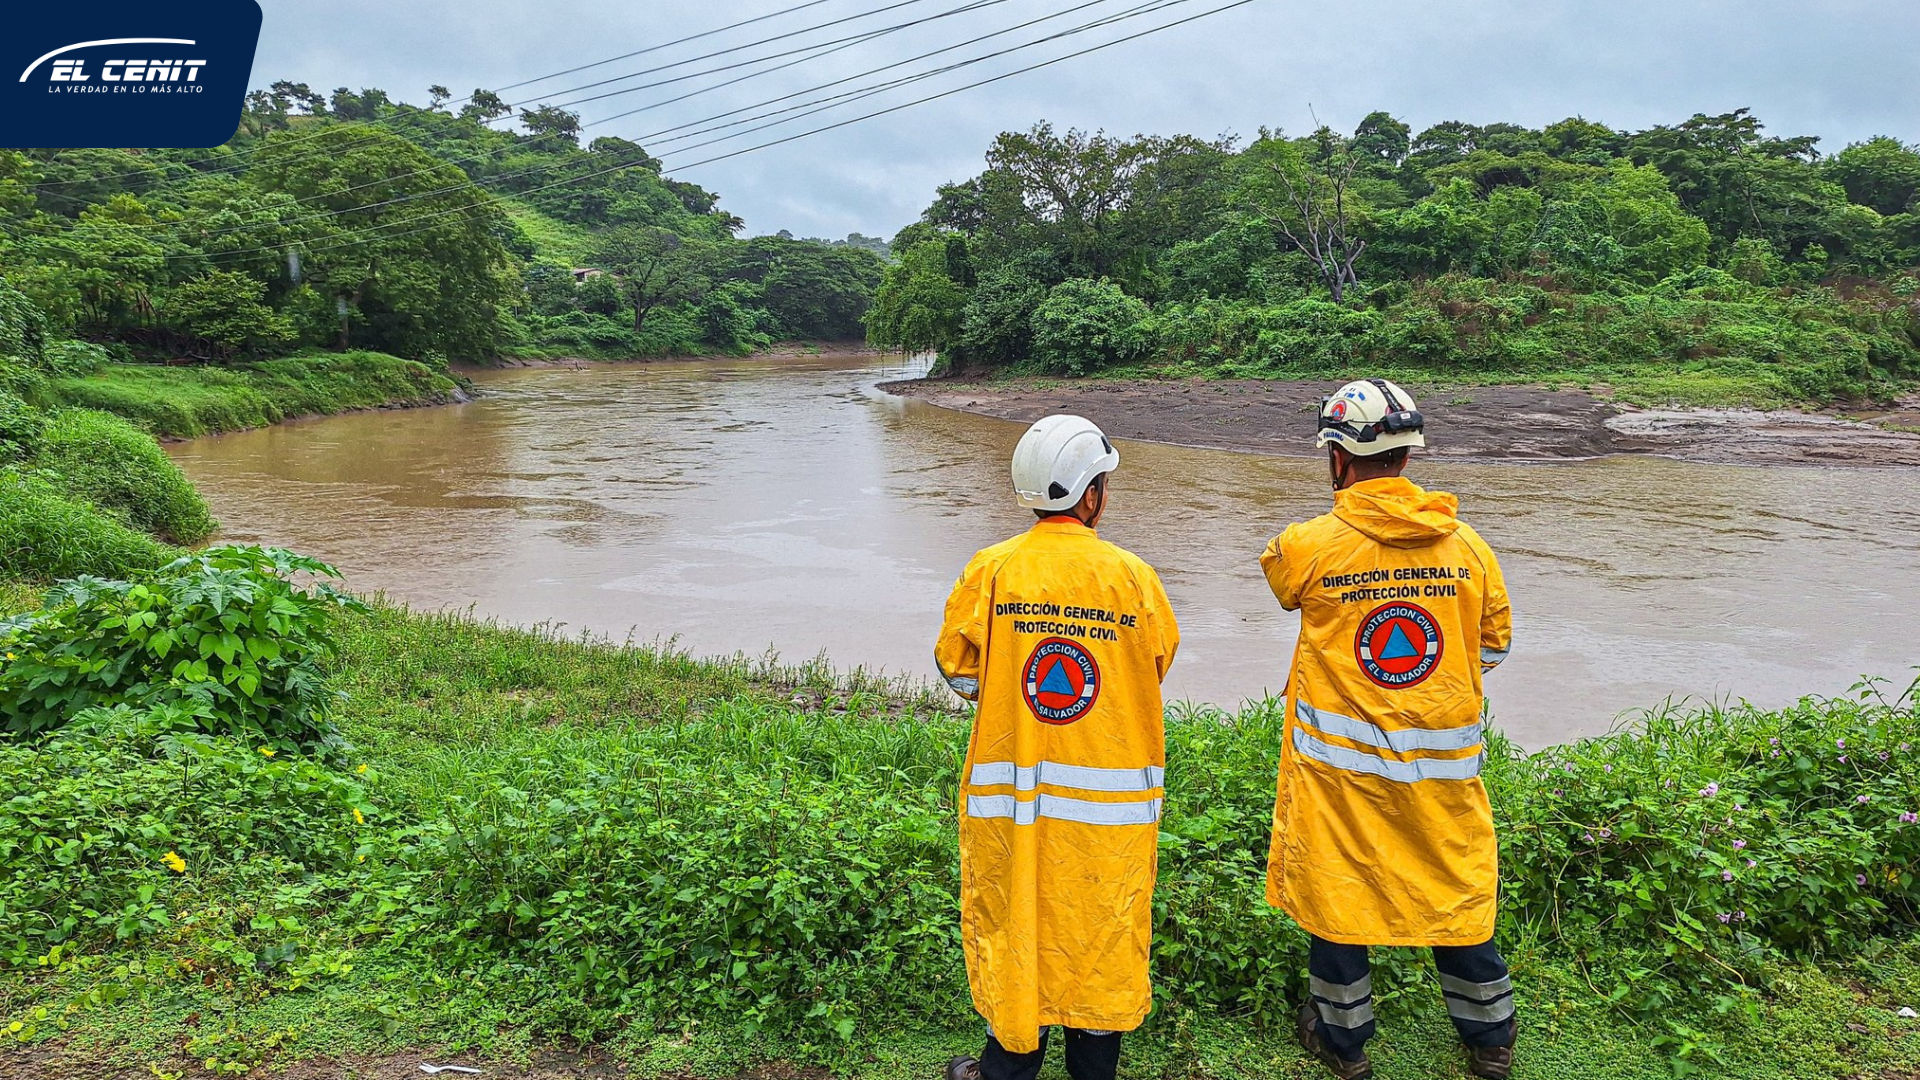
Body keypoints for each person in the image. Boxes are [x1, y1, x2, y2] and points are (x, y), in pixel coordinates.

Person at [1259, 380, 1516, 1080]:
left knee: (1336, 896)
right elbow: (1491, 647)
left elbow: (1283, 586)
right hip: (1442, 773)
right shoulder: (1469, 548)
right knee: (1454, 895)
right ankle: (1491, 1038)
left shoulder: (1307, 546)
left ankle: (1345, 1048)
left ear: (1338, 457)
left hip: (1339, 775)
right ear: (1407, 453)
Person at [934, 414, 1181, 1080]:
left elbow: (959, 672)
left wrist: (1017, 678)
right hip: (1110, 818)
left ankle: (1005, 1069)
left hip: (1014, 806)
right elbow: (1153, 666)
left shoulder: (992, 570)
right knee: (1100, 934)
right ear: (1091, 493)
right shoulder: (1134, 579)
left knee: (1018, 925)